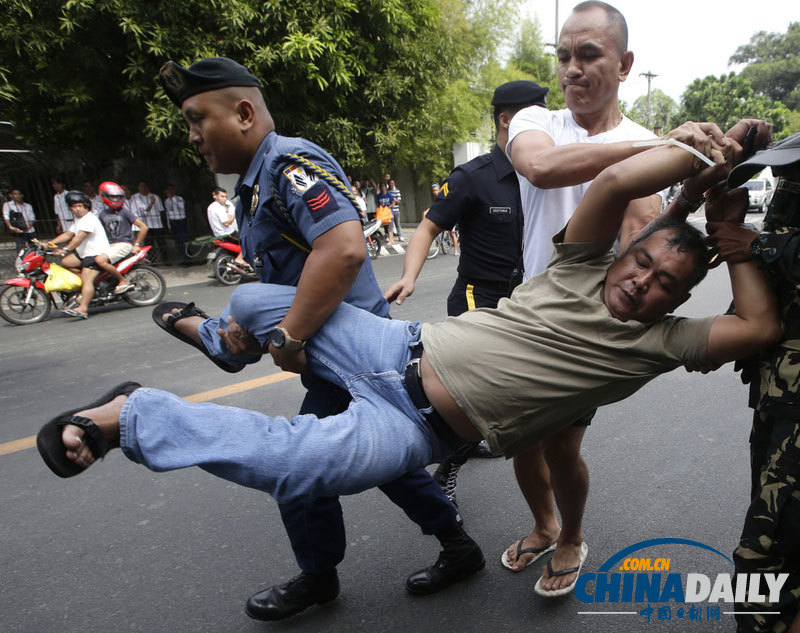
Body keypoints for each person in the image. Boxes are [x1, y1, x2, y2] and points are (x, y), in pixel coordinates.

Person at [39, 123, 783, 620]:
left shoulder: (661, 342)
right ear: (624, 252)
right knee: (256, 297)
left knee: (292, 464)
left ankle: (126, 415)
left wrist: (733, 238)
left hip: (409, 427)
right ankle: (225, 340)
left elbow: (759, 327)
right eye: (643, 262)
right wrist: (697, 155)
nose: (644, 283)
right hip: (395, 346)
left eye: (663, 285)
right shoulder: (578, 264)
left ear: (681, 300)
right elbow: (616, 185)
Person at [151, 57, 477, 619]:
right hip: (332, 352)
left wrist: (289, 338)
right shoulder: (256, 186)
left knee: (298, 463)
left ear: (245, 112)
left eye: (196, 118)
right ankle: (457, 545)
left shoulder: (288, 162)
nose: (193, 136)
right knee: (385, 456)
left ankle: (319, 577)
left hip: (355, 351)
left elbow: (344, 248)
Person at [500, 0, 668, 593]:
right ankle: (544, 525)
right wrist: (643, 154)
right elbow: (542, 170)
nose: (571, 69)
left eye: (588, 54)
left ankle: (570, 534)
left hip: (585, 329)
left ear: (624, 65)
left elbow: (641, 242)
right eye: (564, 56)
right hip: (526, 313)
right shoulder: (533, 121)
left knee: (561, 444)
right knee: (516, 438)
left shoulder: (652, 143)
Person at [385, 80, 550, 512]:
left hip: (528, 302)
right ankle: (447, 472)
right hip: (480, 299)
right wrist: (409, 276)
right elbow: (427, 226)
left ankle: (481, 442)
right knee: (476, 394)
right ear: (507, 120)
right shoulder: (472, 177)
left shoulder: (546, 176)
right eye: (538, 117)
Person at [705, 130, 800, 633]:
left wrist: (758, 243)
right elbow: (777, 287)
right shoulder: (789, 183)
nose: (785, 177)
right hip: (776, 397)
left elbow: (767, 253)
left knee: (764, 555)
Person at [45, 190, 111, 319]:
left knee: (86, 280)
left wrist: (65, 250)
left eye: (80, 206)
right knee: (65, 262)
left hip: (95, 254)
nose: (77, 209)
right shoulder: (79, 220)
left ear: (86, 206)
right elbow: (68, 234)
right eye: (74, 207)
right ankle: (89, 288)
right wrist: (48, 244)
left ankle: (83, 309)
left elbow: (78, 238)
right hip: (83, 254)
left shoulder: (89, 219)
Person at [95, 181, 149, 293]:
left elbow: (143, 227)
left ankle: (123, 280)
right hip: (108, 246)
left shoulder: (125, 212)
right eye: (112, 197)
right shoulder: (102, 214)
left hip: (123, 244)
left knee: (100, 260)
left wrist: (137, 244)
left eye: (118, 197)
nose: (115, 199)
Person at [130, 181, 166, 262]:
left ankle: (165, 260)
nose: (143, 188)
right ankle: (153, 261)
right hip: (145, 224)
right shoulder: (135, 198)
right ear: (138, 188)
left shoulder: (155, 197)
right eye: (141, 186)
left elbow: (161, 210)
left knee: (161, 242)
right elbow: (142, 212)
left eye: (145, 186)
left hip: (157, 224)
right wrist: (151, 204)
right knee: (149, 244)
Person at [3, 187, 36, 252]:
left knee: (34, 248)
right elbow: (6, 216)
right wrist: (10, 227)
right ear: (11, 195)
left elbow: (32, 218)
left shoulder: (27, 206)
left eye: (19, 194)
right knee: (21, 250)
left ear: (22, 195)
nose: (17, 196)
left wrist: (28, 227)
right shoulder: (8, 205)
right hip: (17, 230)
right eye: (15, 194)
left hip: (30, 230)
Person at [164, 184, 190, 265]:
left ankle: (187, 259)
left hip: (180, 220)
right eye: (169, 190)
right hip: (173, 221)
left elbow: (181, 207)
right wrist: (169, 224)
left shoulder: (179, 199)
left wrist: (173, 199)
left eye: (171, 190)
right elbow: (167, 213)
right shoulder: (166, 201)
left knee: (184, 239)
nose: (170, 192)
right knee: (178, 241)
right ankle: (183, 257)